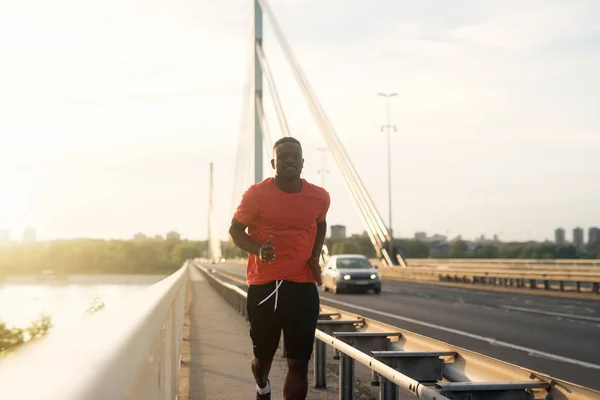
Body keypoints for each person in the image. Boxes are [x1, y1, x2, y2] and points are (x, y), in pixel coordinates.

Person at [229, 136, 330, 400]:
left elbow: (321, 223)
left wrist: (314, 255)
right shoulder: (256, 195)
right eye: (283, 156)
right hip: (264, 287)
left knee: (299, 362)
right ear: (273, 162)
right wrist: (257, 249)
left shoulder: (319, 196)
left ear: (302, 162)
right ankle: (262, 386)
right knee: (263, 358)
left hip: (302, 286)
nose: (289, 160)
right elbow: (235, 231)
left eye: (294, 156)